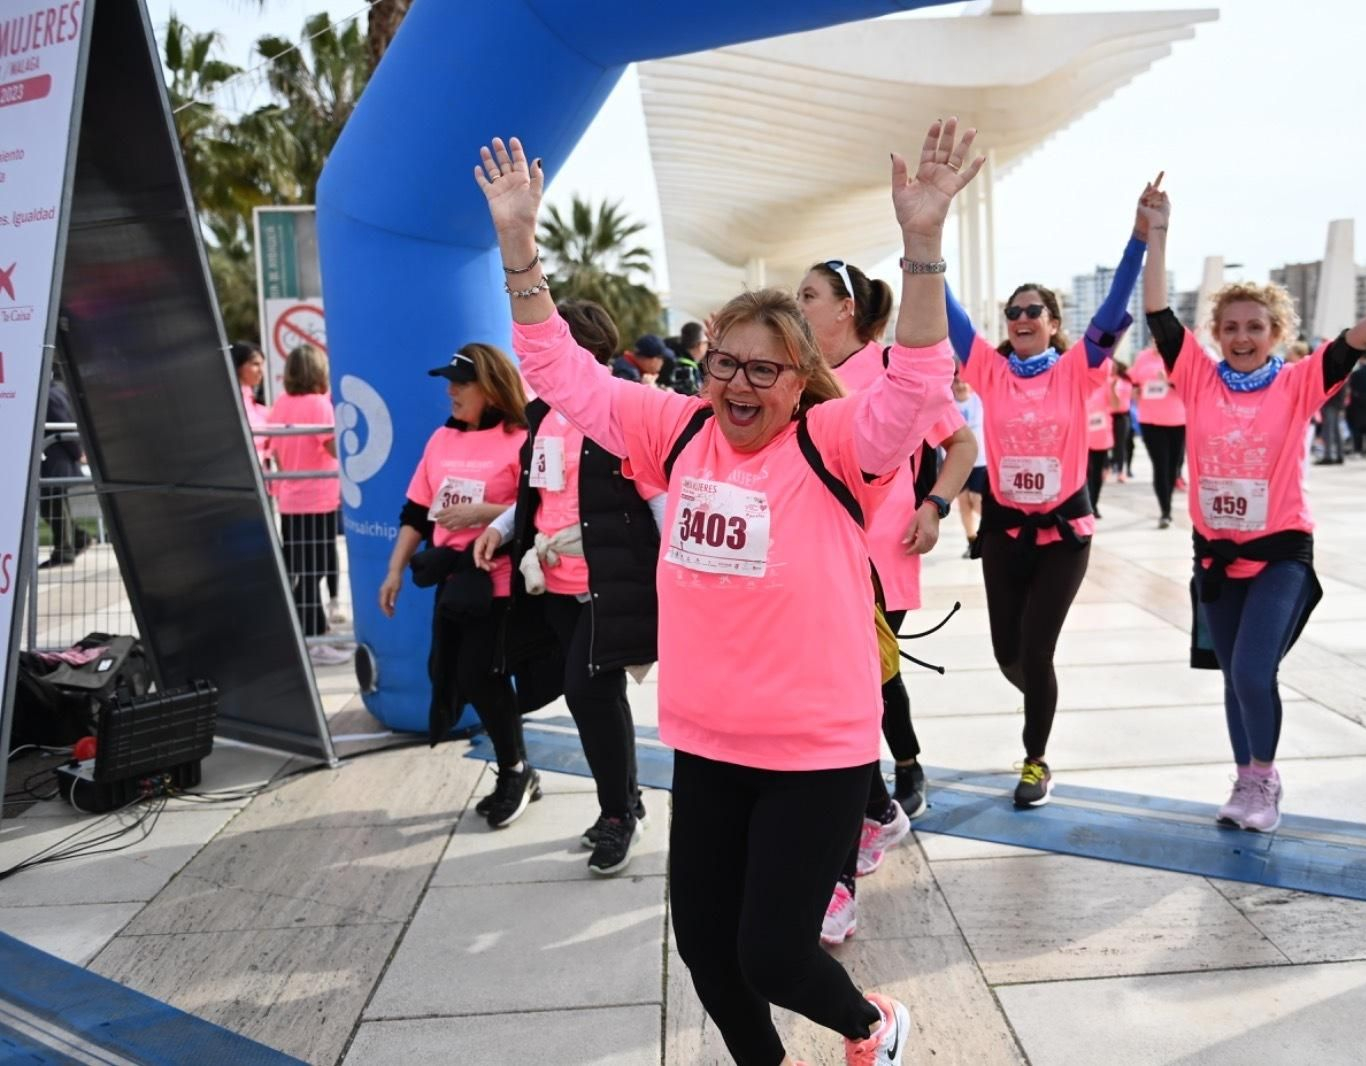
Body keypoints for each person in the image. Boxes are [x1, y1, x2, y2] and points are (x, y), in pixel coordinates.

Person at [478, 118, 980, 1066]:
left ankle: (873, 1027)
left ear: (800, 382)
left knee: (775, 950)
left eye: (764, 368)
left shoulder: (834, 448)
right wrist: (518, 246)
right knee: (709, 953)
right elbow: (557, 371)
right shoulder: (671, 432)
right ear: (703, 368)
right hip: (708, 741)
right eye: (725, 365)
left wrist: (921, 248)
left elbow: (915, 385)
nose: (739, 385)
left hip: (816, 748)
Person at [1142, 176, 1366, 834]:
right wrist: (1158, 233)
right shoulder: (1196, 376)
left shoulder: (1300, 383)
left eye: (1256, 327)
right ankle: (1245, 781)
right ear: (1215, 332)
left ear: (1276, 332)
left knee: (1251, 666)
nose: (1243, 337)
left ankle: (1263, 781)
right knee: (1232, 678)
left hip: (1280, 555)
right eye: (1231, 327)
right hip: (1214, 555)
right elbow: (1157, 313)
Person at [945, 181, 1150, 807]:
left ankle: (1035, 760)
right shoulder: (988, 369)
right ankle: (1041, 693)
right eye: (1014, 312)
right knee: (1009, 654)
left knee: (1037, 649)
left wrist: (1139, 239)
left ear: (1055, 324)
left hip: (1064, 534)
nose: (1023, 319)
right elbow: (949, 314)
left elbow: (1117, 305)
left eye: (1035, 311)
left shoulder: (1077, 369)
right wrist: (919, 246)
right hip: (1005, 531)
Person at [795, 255, 976, 943]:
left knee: (845, 704)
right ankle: (878, 810)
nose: (799, 303)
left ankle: (838, 875)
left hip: (878, 559)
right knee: (849, 698)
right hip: (813, 561)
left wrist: (934, 505)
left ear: (845, 307)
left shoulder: (896, 373)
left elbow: (960, 443)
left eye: (808, 294)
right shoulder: (800, 372)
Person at [473, 298, 663, 876]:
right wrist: (501, 529)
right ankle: (625, 801)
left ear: (576, 350)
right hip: (551, 581)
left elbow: (656, 496)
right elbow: (539, 496)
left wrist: (675, 574)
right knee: (595, 699)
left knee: (588, 693)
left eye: (541, 348)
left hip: (609, 585)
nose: (530, 362)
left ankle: (617, 816)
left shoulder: (624, 407)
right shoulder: (544, 415)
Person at [379, 343, 534, 828]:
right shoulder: (441, 440)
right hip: (451, 578)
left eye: (460, 382)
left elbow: (539, 508)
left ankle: (514, 770)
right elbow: (414, 513)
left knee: (478, 674)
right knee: (462, 674)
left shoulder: (520, 437)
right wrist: (393, 571)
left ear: (489, 388)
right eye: (449, 381)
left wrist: (483, 515)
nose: (450, 391)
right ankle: (517, 768)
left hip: (499, 579)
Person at [267, 345, 349, 664]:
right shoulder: (320, 405)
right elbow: (332, 448)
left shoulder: (281, 404)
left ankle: (315, 634)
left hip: (290, 500)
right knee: (313, 570)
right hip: (318, 499)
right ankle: (314, 641)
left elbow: (275, 450)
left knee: (301, 569)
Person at [1127, 342, 1185, 526]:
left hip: (1178, 419)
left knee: (1173, 467)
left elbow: (1191, 386)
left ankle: (1167, 500)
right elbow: (1133, 383)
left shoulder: (1179, 356)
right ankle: (1165, 511)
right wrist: (1134, 391)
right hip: (1150, 419)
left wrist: (1170, 382)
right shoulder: (1143, 357)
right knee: (1160, 465)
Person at [39, 364, 87, 569]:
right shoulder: (55, 392)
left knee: (54, 507)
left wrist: (78, 453)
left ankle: (65, 550)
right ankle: (78, 539)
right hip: (57, 460)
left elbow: (62, 425)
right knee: (54, 507)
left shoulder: (50, 396)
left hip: (56, 461)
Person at [953, 367, 986, 556]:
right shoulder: (948, 404)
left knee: (977, 500)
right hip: (957, 462)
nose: (961, 386)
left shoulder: (978, 401)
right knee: (964, 502)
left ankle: (989, 530)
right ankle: (972, 541)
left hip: (980, 461)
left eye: (964, 381)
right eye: (956, 382)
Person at [232, 340, 272, 467]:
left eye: (262, 365)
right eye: (255, 364)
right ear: (238, 365)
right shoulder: (232, 400)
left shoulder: (252, 401)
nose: (261, 371)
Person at [1085, 372, 1116, 517]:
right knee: (1085, 474)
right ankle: (1086, 505)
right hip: (1082, 437)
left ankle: (1093, 505)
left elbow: (1117, 405)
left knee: (1096, 474)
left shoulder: (1107, 382)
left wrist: (1113, 389)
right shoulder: (1078, 380)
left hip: (1100, 437)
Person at [1345, 352, 1366, 457]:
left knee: (1357, 427)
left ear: (1361, 359)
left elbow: (1351, 388)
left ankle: (1358, 450)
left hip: (1358, 402)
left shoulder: (1356, 373)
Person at [1109, 363, 1134, 483]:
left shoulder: (1124, 381)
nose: (1111, 369)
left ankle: (1121, 470)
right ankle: (1107, 467)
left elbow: (1127, 398)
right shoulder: (1104, 380)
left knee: (1120, 444)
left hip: (1121, 416)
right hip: (1107, 415)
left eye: (1113, 367)